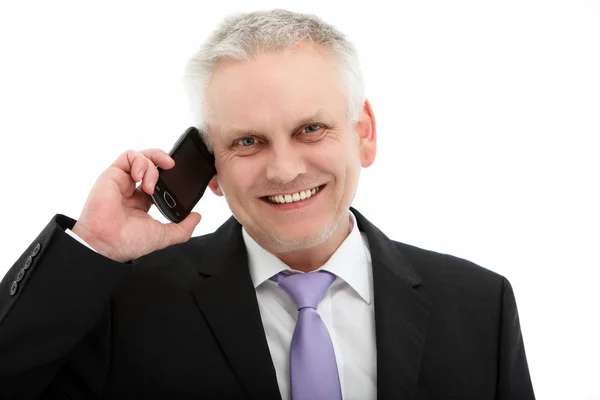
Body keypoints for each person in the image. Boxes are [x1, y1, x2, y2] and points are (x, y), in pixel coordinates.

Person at [0, 9, 535, 400]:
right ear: (211, 166)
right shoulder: (124, 304)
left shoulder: (479, 307)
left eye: (311, 129)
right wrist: (93, 248)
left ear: (364, 134)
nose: (283, 169)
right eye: (247, 142)